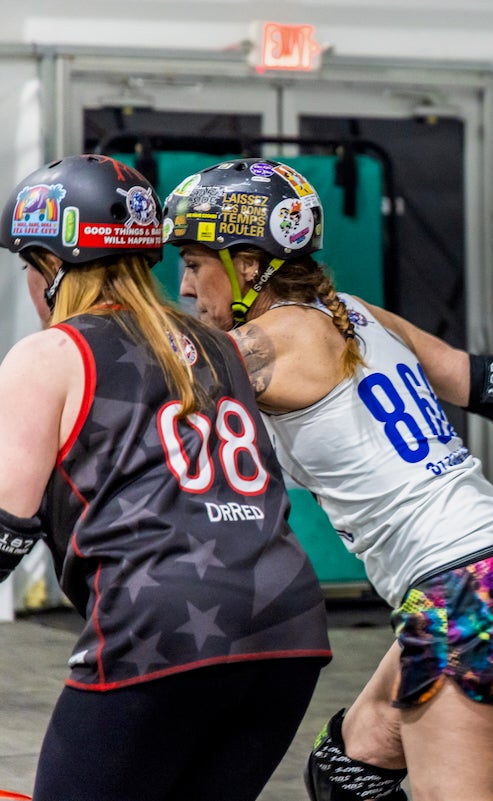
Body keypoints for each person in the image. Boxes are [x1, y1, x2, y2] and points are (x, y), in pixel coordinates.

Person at [161, 156, 493, 801]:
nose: (184, 286)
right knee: (350, 771)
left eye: (196, 263)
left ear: (250, 264)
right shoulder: (351, 313)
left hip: (469, 587)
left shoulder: (261, 346)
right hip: (488, 570)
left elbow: (145, 402)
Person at [0, 155, 332, 801]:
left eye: (28, 268)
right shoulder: (221, 345)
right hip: (284, 629)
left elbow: (4, 532)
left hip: (159, 630)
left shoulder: (51, 352)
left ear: (53, 266)